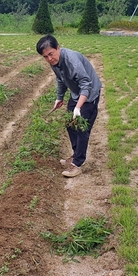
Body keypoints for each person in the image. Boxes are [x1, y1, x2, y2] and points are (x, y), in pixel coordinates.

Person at [36, 34, 102, 178]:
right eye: (45, 57)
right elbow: (61, 80)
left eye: (51, 54)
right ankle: (75, 154)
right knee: (69, 123)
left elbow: (86, 85)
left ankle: (77, 164)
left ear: (58, 48)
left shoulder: (72, 60)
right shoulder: (54, 63)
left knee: (81, 127)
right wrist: (59, 98)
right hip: (76, 92)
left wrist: (78, 107)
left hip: (89, 94)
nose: (49, 59)